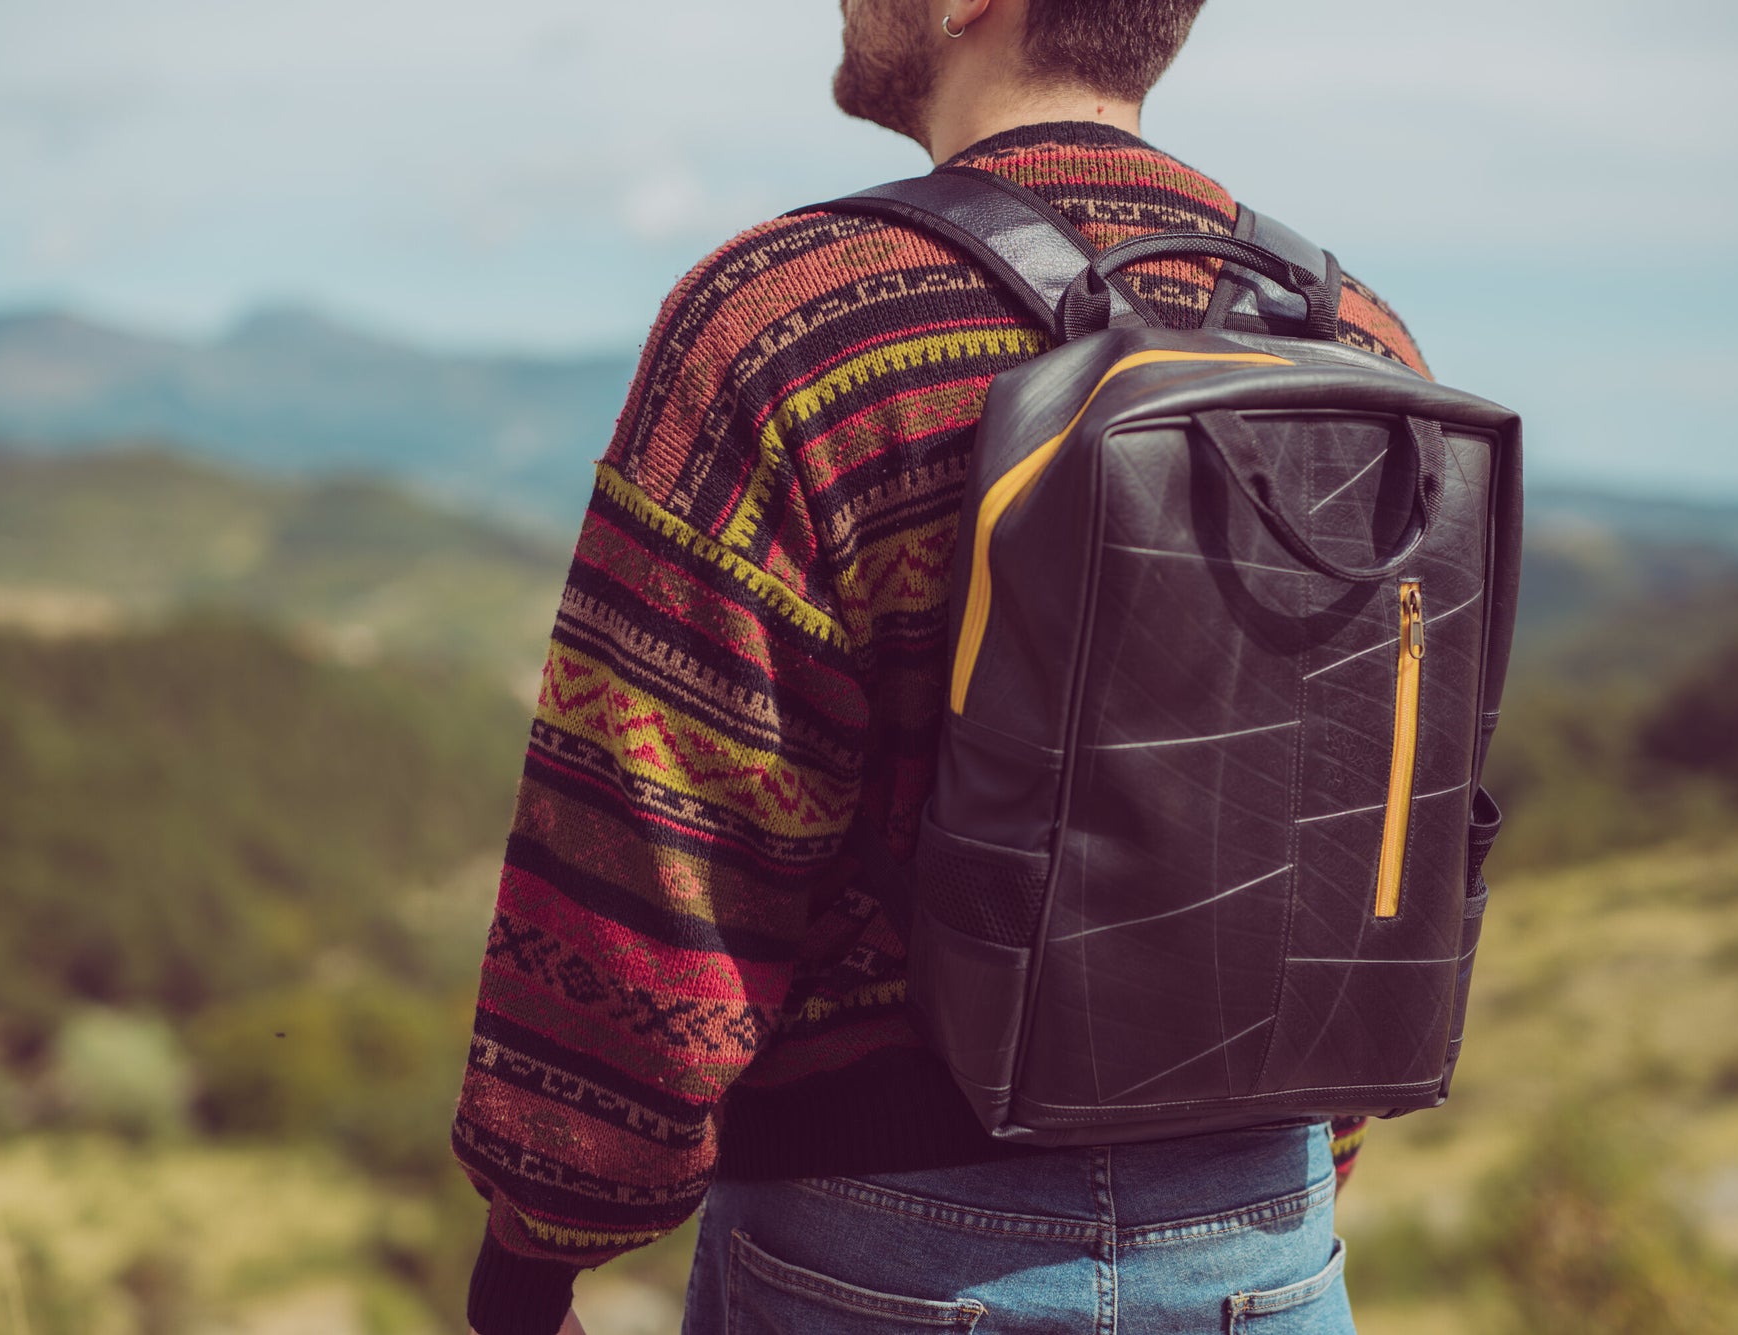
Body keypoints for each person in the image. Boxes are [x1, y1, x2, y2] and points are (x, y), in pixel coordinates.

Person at [452, 2, 1431, 1331]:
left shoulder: (789, 321)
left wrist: (540, 1249)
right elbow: (1367, 839)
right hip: (1267, 1247)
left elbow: (656, 846)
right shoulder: (1359, 342)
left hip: (876, 1256)